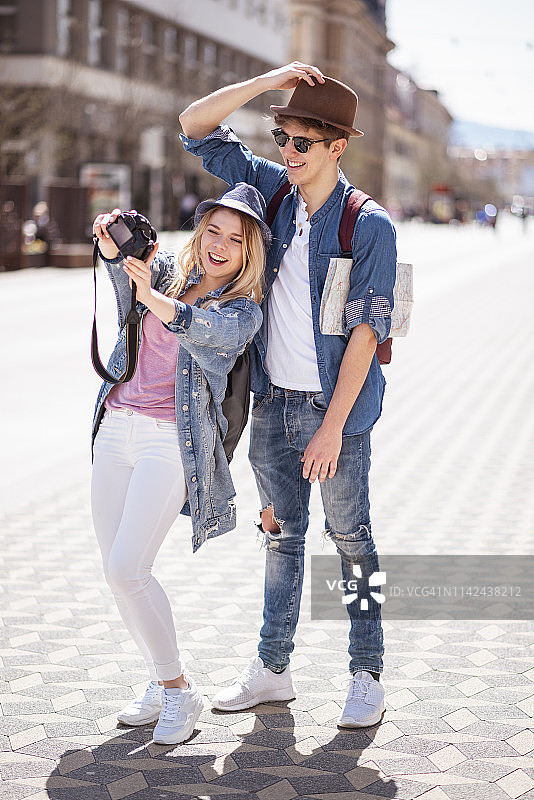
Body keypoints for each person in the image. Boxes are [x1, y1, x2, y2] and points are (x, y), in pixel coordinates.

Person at [179, 62, 397, 728]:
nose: (289, 154)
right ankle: (273, 669)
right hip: (272, 405)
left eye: (304, 143)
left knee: (352, 538)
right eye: (284, 140)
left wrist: (332, 426)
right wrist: (270, 80)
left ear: (339, 145)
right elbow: (194, 127)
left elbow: (366, 333)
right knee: (282, 539)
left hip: (336, 411)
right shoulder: (270, 192)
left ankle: (366, 673)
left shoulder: (368, 226)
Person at [90, 183, 270, 745]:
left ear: (248, 253)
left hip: (172, 440)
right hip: (115, 426)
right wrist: (113, 240)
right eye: (212, 230)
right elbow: (125, 276)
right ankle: (157, 677)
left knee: (127, 568)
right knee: (118, 573)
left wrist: (152, 295)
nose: (219, 246)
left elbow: (199, 331)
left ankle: (177, 689)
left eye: (234, 239)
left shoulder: (243, 312)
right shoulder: (166, 273)